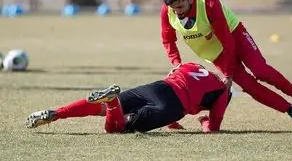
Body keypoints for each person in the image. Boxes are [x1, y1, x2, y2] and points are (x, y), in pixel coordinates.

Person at [160, 0, 292, 126]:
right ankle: (291, 109)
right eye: (174, 9)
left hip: (235, 35)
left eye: (180, 7)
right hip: (216, 54)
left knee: (261, 71)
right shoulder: (168, 10)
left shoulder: (208, 2)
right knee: (249, 86)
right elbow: (168, 40)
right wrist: (177, 64)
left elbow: (227, 40)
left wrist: (228, 75)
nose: (177, 12)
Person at [25, 63, 231, 133]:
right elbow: (212, 128)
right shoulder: (222, 92)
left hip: (159, 87)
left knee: (101, 108)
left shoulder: (195, 66)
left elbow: (175, 72)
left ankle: (58, 113)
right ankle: (112, 101)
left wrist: (171, 121)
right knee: (115, 128)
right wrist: (204, 120)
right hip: (173, 106)